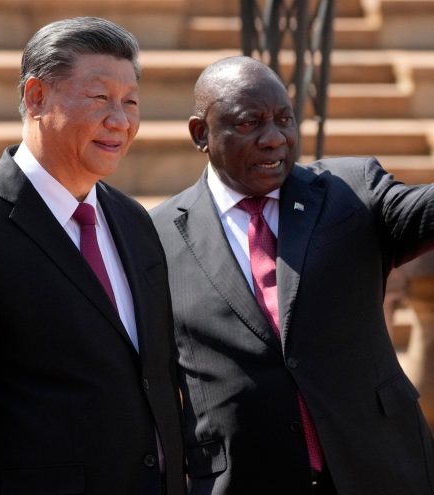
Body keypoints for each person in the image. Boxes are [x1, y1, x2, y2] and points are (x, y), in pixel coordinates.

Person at [150, 55, 434, 494]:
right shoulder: (157, 235)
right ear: (201, 133)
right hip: (245, 478)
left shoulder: (351, 190)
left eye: (284, 120)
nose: (274, 139)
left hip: (381, 469)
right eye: (249, 123)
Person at [0, 17, 185, 495]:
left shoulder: (133, 220)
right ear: (36, 97)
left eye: (131, 102)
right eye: (99, 98)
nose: (120, 120)